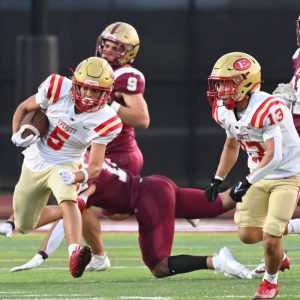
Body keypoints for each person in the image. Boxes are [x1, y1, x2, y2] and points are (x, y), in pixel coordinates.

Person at [1, 22, 150, 272]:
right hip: (87, 146)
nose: (109, 51)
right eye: (107, 44)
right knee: (101, 209)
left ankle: (162, 201)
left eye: (117, 47)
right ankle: (101, 255)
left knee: (77, 200)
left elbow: (142, 118)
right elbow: (29, 107)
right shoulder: (76, 79)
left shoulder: (125, 79)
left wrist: (105, 103)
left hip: (117, 152)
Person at [9, 159, 252, 280]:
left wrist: (36, 248)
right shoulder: (89, 159)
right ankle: (257, 182)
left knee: (159, 266)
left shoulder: (80, 175)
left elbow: (67, 214)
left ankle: (217, 262)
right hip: (157, 184)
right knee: (221, 203)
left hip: (148, 201)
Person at [10, 56, 122, 278]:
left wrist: (77, 176)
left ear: (106, 93)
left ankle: (74, 252)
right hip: (37, 158)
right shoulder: (57, 87)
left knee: (69, 200)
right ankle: (29, 220)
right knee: (23, 224)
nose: (89, 96)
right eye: (85, 89)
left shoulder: (107, 119)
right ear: (75, 83)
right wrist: (17, 134)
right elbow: (24, 108)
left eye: (96, 91)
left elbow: (96, 166)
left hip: (67, 162)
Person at [206, 51, 300, 299]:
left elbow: (275, 156)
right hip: (259, 173)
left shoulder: (267, 108)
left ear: (246, 83)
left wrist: (246, 182)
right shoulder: (224, 110)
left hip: (288, 174)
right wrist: (218, 178)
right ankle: (284, 236)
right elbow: (231, 144)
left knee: (270, 238)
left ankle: (270, 282)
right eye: (219, 83)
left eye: (227, 83)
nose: (221, 89)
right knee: (248, 234)